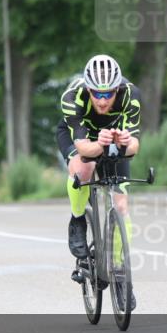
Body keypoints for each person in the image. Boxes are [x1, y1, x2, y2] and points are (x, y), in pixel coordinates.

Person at [56, 54, 140, 308]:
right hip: (80, 139)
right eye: (97, 94)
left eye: (108, 94)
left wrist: (124, 142)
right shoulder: (73, 97)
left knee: (122, 204)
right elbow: (83, 147)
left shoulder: (130, 95)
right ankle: (78, 219)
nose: (103, 100)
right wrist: (100, 143)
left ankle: (121, 274)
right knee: (83, 170)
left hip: (113, 140)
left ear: (117, 89)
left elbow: (135, 145)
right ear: (88, 89)